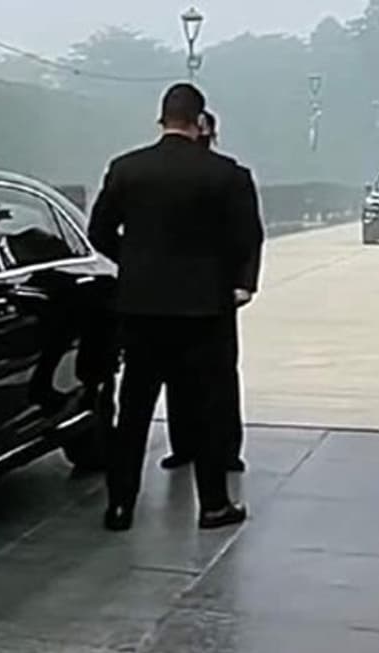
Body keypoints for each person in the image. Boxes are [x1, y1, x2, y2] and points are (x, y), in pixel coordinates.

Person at [88, 83, 258, 532]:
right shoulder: (227, 175)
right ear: (200, 122)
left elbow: (98, 231)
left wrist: (134, 263)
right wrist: (240, 283)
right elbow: (247, 237)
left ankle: (120, 506)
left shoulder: (126, 169)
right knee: (206, 408)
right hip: (204, 309)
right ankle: (214, 505)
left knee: (134, 408)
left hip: (141, 306)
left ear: (161, 119)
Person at [160, 110, 264, 473]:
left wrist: (244, 282)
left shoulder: (230, 175)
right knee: (181, 373)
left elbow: (249, 234)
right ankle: (186, 444)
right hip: (188, 287)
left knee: (217, 374)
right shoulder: (182, 174)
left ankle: (224, 448)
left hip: (213, 288)